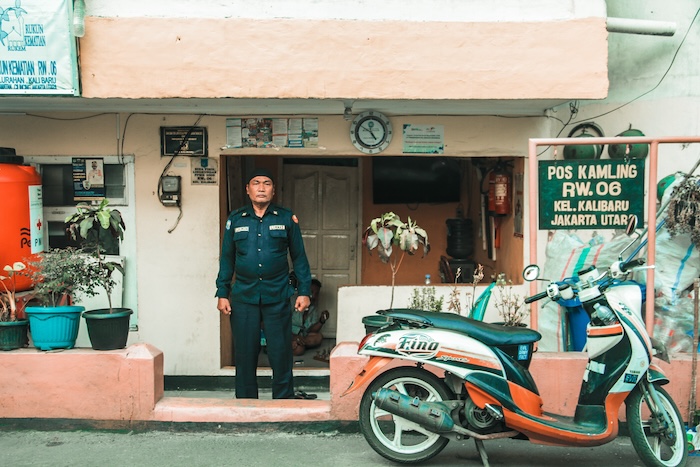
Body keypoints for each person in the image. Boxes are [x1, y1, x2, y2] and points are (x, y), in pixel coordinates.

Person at [215, 168, 311, 399]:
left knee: (280, 352)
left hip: (277, 295)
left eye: (266, 183)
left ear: (273, 190)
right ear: (247, 189)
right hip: (244, 297)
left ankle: (283, 400)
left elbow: (299, 257)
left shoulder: (286, 218)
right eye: (256, 183)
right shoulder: (236, 219)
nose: (261, 188)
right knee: (245, 353)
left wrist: (304, 291)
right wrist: (222, 292)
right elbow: (227, 258)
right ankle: (246, 402)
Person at [291, 278, 329, 356]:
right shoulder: (293, 301)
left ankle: (298, 344)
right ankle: (294, 345)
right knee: (299, 350)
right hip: (288, 334)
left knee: (318, 337)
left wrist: (321, 321)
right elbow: (281, 325)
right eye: (311, 292)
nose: (314, 296)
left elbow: (311, 330)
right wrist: (293, 337)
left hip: (302, 336)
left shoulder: (313, 307)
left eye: (316, 293)